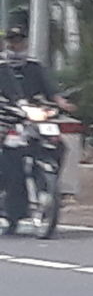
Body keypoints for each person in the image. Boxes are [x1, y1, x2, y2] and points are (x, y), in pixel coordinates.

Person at [1, 22, 69, 232]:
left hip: (30, 117)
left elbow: (50, 89)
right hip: (6, 117)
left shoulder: (33, 66)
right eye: (12, 41)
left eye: (19, 40)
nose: (16, 45)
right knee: (8, 155)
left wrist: (61, 102)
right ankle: (10, 204)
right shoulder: (3, 66)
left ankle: (50, 188)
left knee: (59, 145)